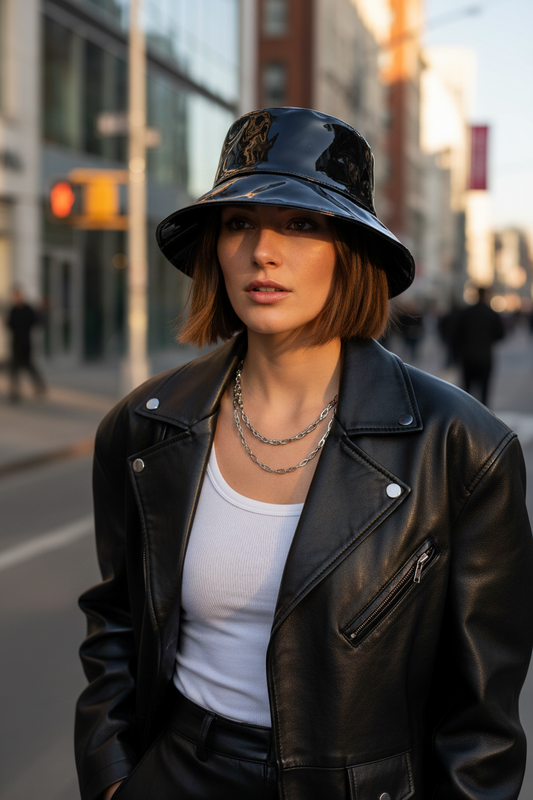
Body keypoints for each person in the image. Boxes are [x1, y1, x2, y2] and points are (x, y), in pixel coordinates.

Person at [75, 108, 533, 800]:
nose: (263, 252)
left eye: (300, 224)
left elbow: (481, 727)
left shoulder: (460, 448)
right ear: (214, 249)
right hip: (174, 771)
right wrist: (112, 775)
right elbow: (117, 618)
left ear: (347, 250)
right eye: (238, 224)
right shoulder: (145, 428)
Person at [453, 286, 505, 406]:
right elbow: (501, 334)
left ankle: (465, 417)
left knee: (466, 391)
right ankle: (484, 418)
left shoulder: (466, 312)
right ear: (486, 296)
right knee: (484, 391)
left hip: (468, 356)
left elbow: (456, 334)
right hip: (485, 357)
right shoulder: (492, 314)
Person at [5, 285, 46, 402]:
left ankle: (39, 387)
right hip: (16, 344)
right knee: (14, 371)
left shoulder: (28, 309)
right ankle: (15, 393)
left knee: (30, 367)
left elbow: (37, 322)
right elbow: (9, 325)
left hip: (26, 344)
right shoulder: (13, 310)